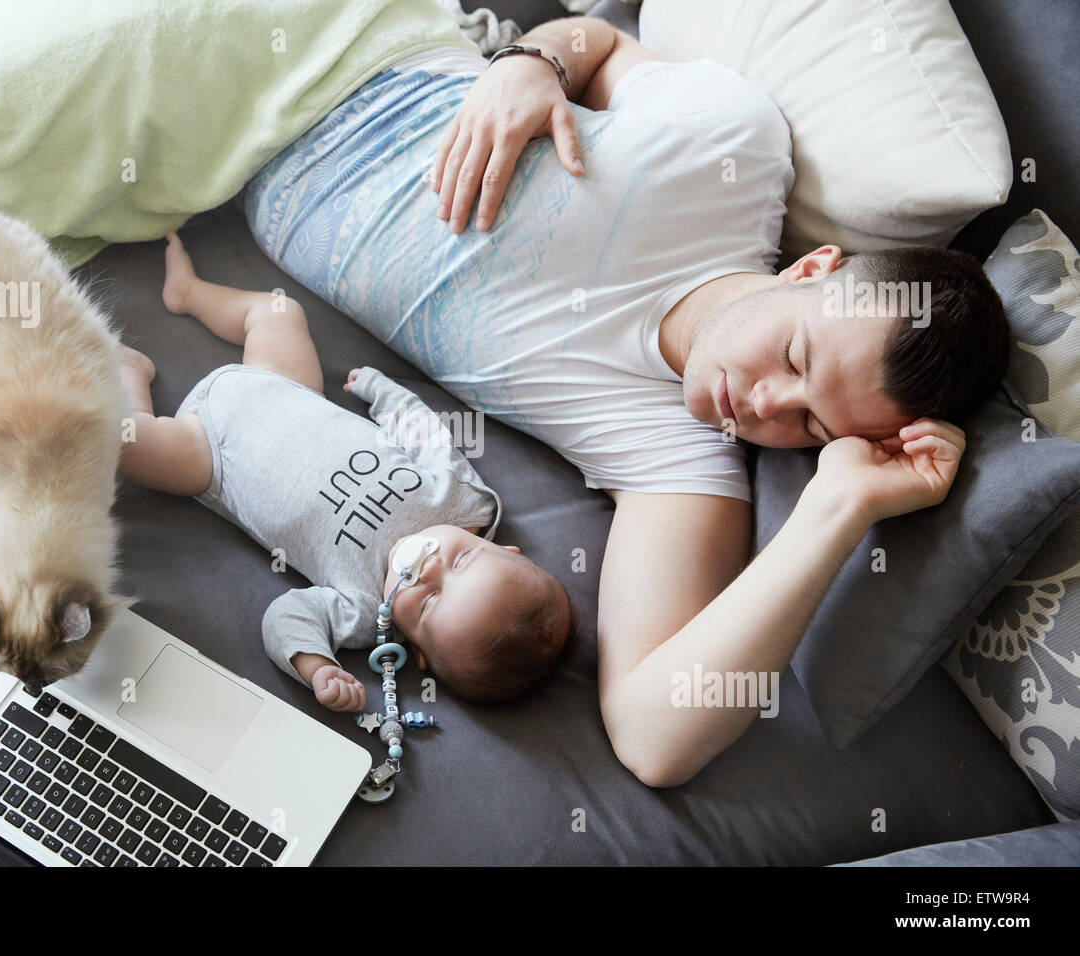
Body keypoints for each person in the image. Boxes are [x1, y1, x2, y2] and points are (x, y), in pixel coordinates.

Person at [239, 17, 1009, 784]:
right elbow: (597, 42)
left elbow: (653, 739)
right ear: (811, 269)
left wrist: (836, 510)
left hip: (235, 159)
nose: (762, 405)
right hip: (350, 41)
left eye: (810, 425)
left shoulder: (681, 465)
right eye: (794, 355)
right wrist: (533, 61)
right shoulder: (731, 144)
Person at [113, 233, 575, 713]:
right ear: (499, 548)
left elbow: (286, 615)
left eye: (430, 602)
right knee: (278, 312)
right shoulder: (461, 501)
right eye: (460, 563)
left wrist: (318, 666)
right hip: (287, 389)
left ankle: (129, 373)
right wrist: (382, 391)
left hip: (212, 455)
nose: (431, 568)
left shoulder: (363, 609)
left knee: (126, 442)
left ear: (415, 650)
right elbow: (426, 434)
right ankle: (189, 293)